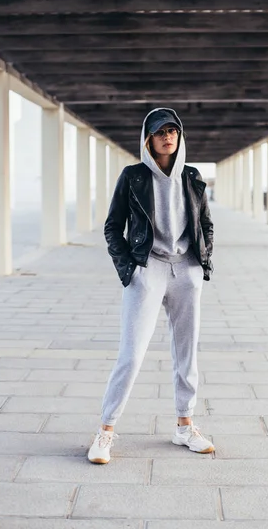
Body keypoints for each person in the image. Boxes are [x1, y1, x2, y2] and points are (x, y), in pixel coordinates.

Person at [88, 108, 214, 464]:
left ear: (180, 136)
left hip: (186, 270)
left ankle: (185, 426)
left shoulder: (191, 176)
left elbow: (205, 223)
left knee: (187, 354)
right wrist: (130, 270)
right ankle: (105, 431)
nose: (167, 136)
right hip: (149, 269)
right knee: (131, 354)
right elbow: (113, 227)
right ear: (148, 138)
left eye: (173, 130)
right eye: (160, 131)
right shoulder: (133, 176)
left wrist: (201, 264)